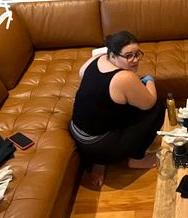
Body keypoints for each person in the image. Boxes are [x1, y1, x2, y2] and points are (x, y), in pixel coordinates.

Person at [69, 31, 166, 189]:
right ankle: (137, 159)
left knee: (114, 103)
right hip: (99, 146)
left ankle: (99, 163)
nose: (135, 60)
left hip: (79, 135)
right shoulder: (124, 78)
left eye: (137, 54)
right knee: (158, 108)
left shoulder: (96, 59)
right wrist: (149, 80)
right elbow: (149, 102)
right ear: (113, 56)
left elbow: (82, 73)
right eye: (128, 56)